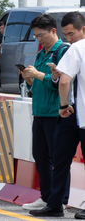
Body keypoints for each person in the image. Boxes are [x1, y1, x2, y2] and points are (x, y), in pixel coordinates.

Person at [29, 11, 85, 218]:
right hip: (71, 111)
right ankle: (54, 202)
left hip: (66, 111)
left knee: (59, 158)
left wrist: (62, 105)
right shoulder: (70, 49)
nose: (68, 39)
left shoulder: (71, 49)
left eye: (71, 34)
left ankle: (56, 203)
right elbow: (59, 80)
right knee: (57, 158)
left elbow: (63, 82)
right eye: (66, 35)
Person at [18, 14, 69, 211]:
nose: (39, 39)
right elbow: (39, 84)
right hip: (39, 111)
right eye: (36, 36)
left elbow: (62, 83)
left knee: (58, 158)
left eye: (42, 35)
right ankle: (47, 196)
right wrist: (30, 78)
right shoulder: (41, 53)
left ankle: (60, 200)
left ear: (53, 31)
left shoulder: (63, 51)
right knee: (40, 155)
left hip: (56, 112)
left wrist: (39, 75)